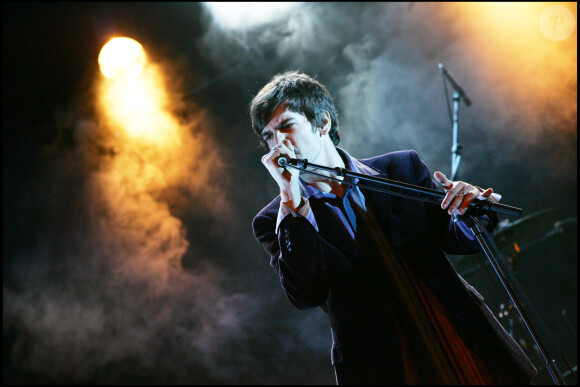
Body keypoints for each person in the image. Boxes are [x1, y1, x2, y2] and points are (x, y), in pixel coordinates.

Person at [250, 71, 537, 384]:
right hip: (380, 363)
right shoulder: (275, 220)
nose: (278, 144)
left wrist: (469, 210)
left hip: (453, 332)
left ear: (322, 123)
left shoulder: (399, 169)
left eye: (286, 126)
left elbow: (460, 240)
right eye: (268, 137)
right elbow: (306, 293)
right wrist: (291, 200)